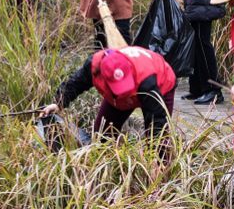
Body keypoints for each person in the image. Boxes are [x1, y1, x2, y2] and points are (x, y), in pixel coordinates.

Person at [41, 45, 176, 143]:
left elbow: (157, 122)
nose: (124, 93)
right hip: (118, 98)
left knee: (158, 139)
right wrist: (58, 103)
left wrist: (156, 163)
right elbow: (76, 83)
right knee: (102, 138)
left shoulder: (147, 81)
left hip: (162, 85)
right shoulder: (94, 66)